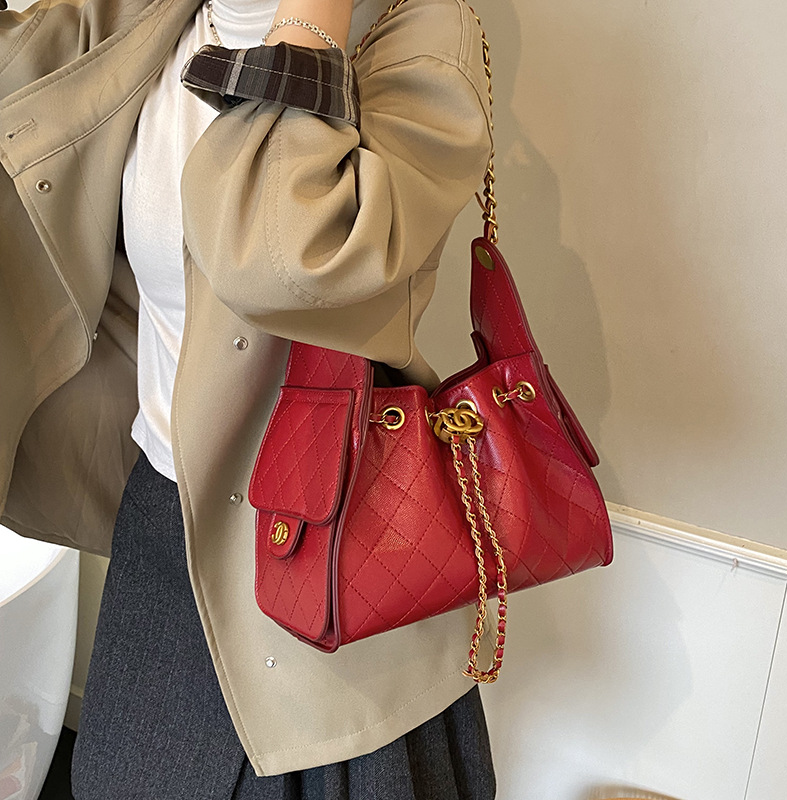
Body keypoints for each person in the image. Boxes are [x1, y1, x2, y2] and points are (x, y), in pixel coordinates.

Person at [0, 0, 496, 795]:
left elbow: (279, 259)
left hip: (326, 550)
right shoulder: (150, 17)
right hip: (164, 519)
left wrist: (310, 19)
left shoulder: (420, 35)